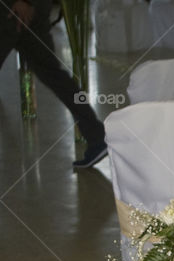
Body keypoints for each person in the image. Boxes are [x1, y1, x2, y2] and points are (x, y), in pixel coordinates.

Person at [1, 0, 107, 168]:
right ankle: (96, 135)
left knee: (53, 73)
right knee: (54, 74)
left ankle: (96, 135)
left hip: (13, 10)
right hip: (31, 9)